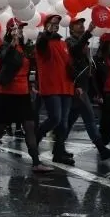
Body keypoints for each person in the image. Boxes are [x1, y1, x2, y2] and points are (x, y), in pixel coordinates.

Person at [0, 18, 52, 173]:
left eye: (20, 29)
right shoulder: (5, 46)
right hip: (7, 94)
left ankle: (36, 162)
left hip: (23, 94)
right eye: (16, 28)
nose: (19, 31)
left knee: (29, 127)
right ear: (9, 31)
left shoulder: (25, 47)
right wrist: (12, 44)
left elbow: (35, 61)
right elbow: (4, 58)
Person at [66, 18, 110, 160]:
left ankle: (58, 147)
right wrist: (88, 32)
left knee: (69, 120)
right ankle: (101, 149)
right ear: (71, 28)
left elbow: (90, 71)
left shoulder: (85, 45)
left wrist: (95, 92)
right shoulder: (70, 42)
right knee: (89, 118)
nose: (81, 26)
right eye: (78, 24)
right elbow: (75, 52)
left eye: (82, 24)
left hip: (83, 87)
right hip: (78, 88)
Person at [35, 14, 75, 165]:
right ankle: (35, 138)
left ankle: (58, 153)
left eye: (57, 23)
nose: (56, 25)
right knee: (55, 118)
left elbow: (68, 64)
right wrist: (47, 33)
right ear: (45, 26)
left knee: (63, 124)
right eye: (52, 23)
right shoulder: (42, 42)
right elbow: (41, 45)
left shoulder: (63, 43)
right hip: (51, 87)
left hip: (66, 87)